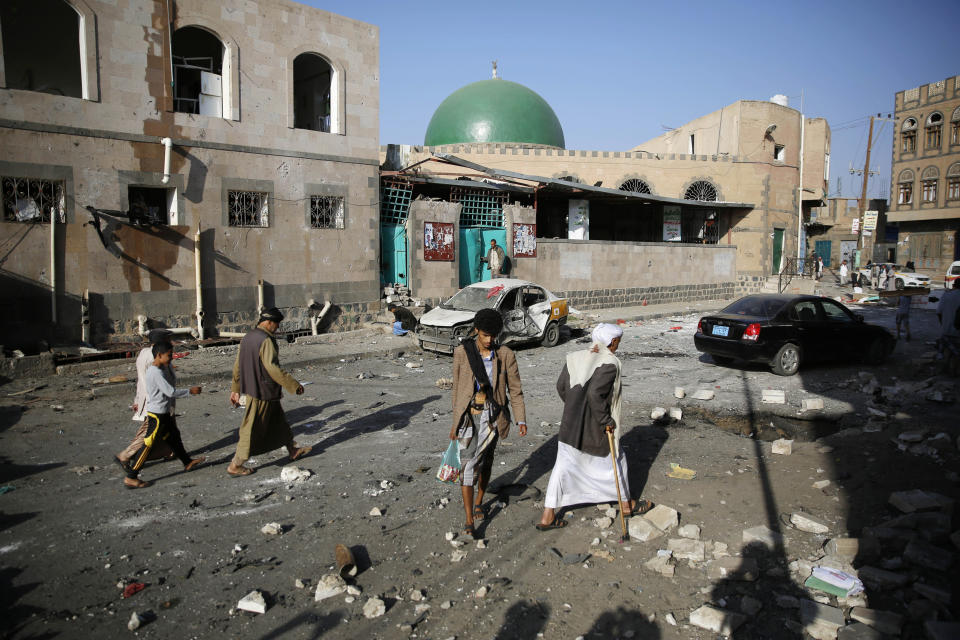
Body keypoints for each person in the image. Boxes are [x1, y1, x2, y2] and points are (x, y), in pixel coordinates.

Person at [536, 323, 653, 531]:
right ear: (613, 341)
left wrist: (575, 407)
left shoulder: (573, 357)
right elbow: (594, 395)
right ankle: (626, 504)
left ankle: (548, 515)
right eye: (618, 342)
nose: (617, 345)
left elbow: (561, 387)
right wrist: (606, 420)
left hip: (570, 424)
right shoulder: (609, 362)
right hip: (595, 426)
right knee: (616, 461)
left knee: (562, 466)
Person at [449, 308, 526, 538]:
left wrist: (521, 418)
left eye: (493, 335)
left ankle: (480, 501)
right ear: (476, 331)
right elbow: (457, 390)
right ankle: (469, 519)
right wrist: (455, 423)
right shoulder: (463, 353)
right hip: (469, 418)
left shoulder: (506, 355)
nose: (490, 340)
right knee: (468, 466)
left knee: (486, 461)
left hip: (493, 418)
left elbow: (515, 389)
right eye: (485, 335)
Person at [228, 308, 311, 477]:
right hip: (261, 391)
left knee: (279, 422)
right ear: (269, 322)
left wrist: (235, 389)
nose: (277, 328)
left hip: (263, 391)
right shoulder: (265, 340)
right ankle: (236, 464)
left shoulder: (248, 337)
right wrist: (293, 385)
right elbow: (272, 368)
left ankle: (292, 450)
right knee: (251, 429)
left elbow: (237, 366)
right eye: (276, 324)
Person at [122, 341, 205, 488]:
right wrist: (190, 391)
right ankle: (131, 476)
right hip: (157, 414)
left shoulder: (161, 369)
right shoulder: (156, 372)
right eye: (169, 355)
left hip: (164, 412)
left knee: (174, 438)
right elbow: (170, 392)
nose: (171, 357)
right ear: (159, 355)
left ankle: (187, 462)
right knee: (148, 444)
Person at [115, 329, 175, 468]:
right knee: (148, 431)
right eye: (168, 340)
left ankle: (169, 451)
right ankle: (126, 455)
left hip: (151, 399)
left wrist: (137, 399)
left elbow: (140, 380)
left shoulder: (144, 353)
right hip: (156, 401)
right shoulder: (157, 357)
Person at [936, 280, 960, 356]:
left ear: (953, 286)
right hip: (958, 334)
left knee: (946, 357)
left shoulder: (946, 295)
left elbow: (939, 313)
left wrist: (943, 325)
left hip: (946, 332)